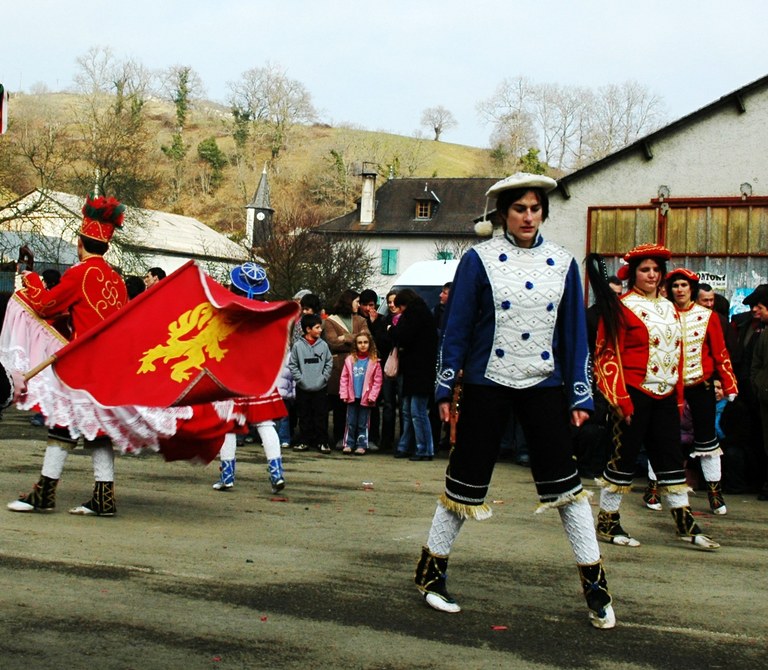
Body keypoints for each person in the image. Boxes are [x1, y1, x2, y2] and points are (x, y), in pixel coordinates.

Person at [414, 173, 615, 629]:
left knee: (567, 486)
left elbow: (574, 336)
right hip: (487, 382)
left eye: (535, 208)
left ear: (544, 212)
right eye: (520, 209)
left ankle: (596, 587)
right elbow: (457, 326)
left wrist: (580, 395)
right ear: (504, 214)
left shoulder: (563, 262)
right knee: (463, 483)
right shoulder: (478, 260)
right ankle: (431, 574)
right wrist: (446, 386)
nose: (528, 216)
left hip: (544, 384)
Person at [587, 244, 720, 550]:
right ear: (634, 273)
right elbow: (605, 355)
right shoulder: (621, 306)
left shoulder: (669, 307)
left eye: (656, 270)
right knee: (623, 459)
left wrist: (678, 396)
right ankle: (608, 521)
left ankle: (685, 523)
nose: (651, 275)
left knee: (671, 459)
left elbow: (679, 353)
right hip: (633, 392)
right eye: (645, 270)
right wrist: (620, 399)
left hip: (666, 393)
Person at [8, 194, 129, 516]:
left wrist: (29, 278)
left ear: (80, 241)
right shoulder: (116, 280)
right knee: (97, 431)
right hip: (107, 367)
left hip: (82, 365)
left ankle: (44, 493)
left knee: (62, 425)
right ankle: (103, 497)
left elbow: (45, 305)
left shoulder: (80, 274)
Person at [642, 268, 738, 514]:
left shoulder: (708, 316)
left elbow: (720, 352)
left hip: (700, 384)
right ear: (669, 289)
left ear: (691, 289)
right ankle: (654, 488)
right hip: (669, 385)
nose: (680, 290)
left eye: (684, 285)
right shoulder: (662, 313)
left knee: (708, 441)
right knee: (663, 436)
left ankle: (715, 494)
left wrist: (729, 383)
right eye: (675, 286)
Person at [211, 262, 289, 494]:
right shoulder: (270, 311)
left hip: (234, 373)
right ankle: (277, 473)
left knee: (229, 425)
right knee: (266, 423)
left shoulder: (228, 308)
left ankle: (228, 477)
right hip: (261, 373)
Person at [390, 288, 438, 461]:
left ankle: (424, 448)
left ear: (403, 304)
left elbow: (403, 335)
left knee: (416, 412)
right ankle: (409, 446)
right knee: (411, 410)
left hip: (417, 371)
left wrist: (391, 329)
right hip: (421, 369)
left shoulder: (413, 315)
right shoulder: (423, 313)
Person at [323, 289, 366, 448]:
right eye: (357, 301)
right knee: (339, 404)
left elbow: (366, 339)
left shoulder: (361, 319)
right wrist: (355, 338)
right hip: (339, 368)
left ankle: (353, 439)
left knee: (354, 404)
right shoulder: (330, 321)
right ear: (349, 302)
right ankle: (339, 437)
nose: (359, 305)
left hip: (357, 367)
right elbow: (333, 342)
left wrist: (345, 338)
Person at [289, 313, 333, 453]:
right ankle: (304, 441)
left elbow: (328, 363)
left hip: (320, 388)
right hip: (303, 388)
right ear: (308, 329)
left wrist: (324, 378)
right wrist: (300, 379)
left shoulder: (324, 345)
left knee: (321, 416)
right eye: (317, 327)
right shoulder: (297, 346)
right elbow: (293, 364)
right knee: (304, 416)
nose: (320, 330)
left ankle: (322, 442)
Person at [339, 331, 383, 454]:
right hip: (352, 396)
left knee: (363, 423)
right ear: (355, 345)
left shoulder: (374, 362)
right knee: (351, 422)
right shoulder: (350, 360)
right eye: (360, 343)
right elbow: (344, 378)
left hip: (366, 397)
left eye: (365, 342)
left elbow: (377, 381)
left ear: (370, 344)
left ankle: (361, 444)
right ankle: (348, 443)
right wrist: (344, 394)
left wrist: (373, 396)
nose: (363, 345)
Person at [357, 289, 385, 448]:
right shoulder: (357, 320)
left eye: (371, 305)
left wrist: (375, 324)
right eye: (365, 305)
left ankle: (373, 436)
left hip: (375, 367)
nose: (368, 309)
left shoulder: (381, 320)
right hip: (358, 366)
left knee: (373, 401)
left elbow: (383, 342)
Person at [749, 285, 768, 500]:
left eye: (761, 307)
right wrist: (758, 384)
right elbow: (757, 363)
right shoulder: (763, 331)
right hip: (764, 394)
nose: (757, 311)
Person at [378, 290, 400, 451]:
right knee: (388, 404)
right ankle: (386, 440)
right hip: (387, 365)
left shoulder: (407, 321)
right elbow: (381, 342)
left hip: (402, 366)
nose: (391, 305)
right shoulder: (384, 320)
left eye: (394, 302)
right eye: (389, 302)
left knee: (404, 406)